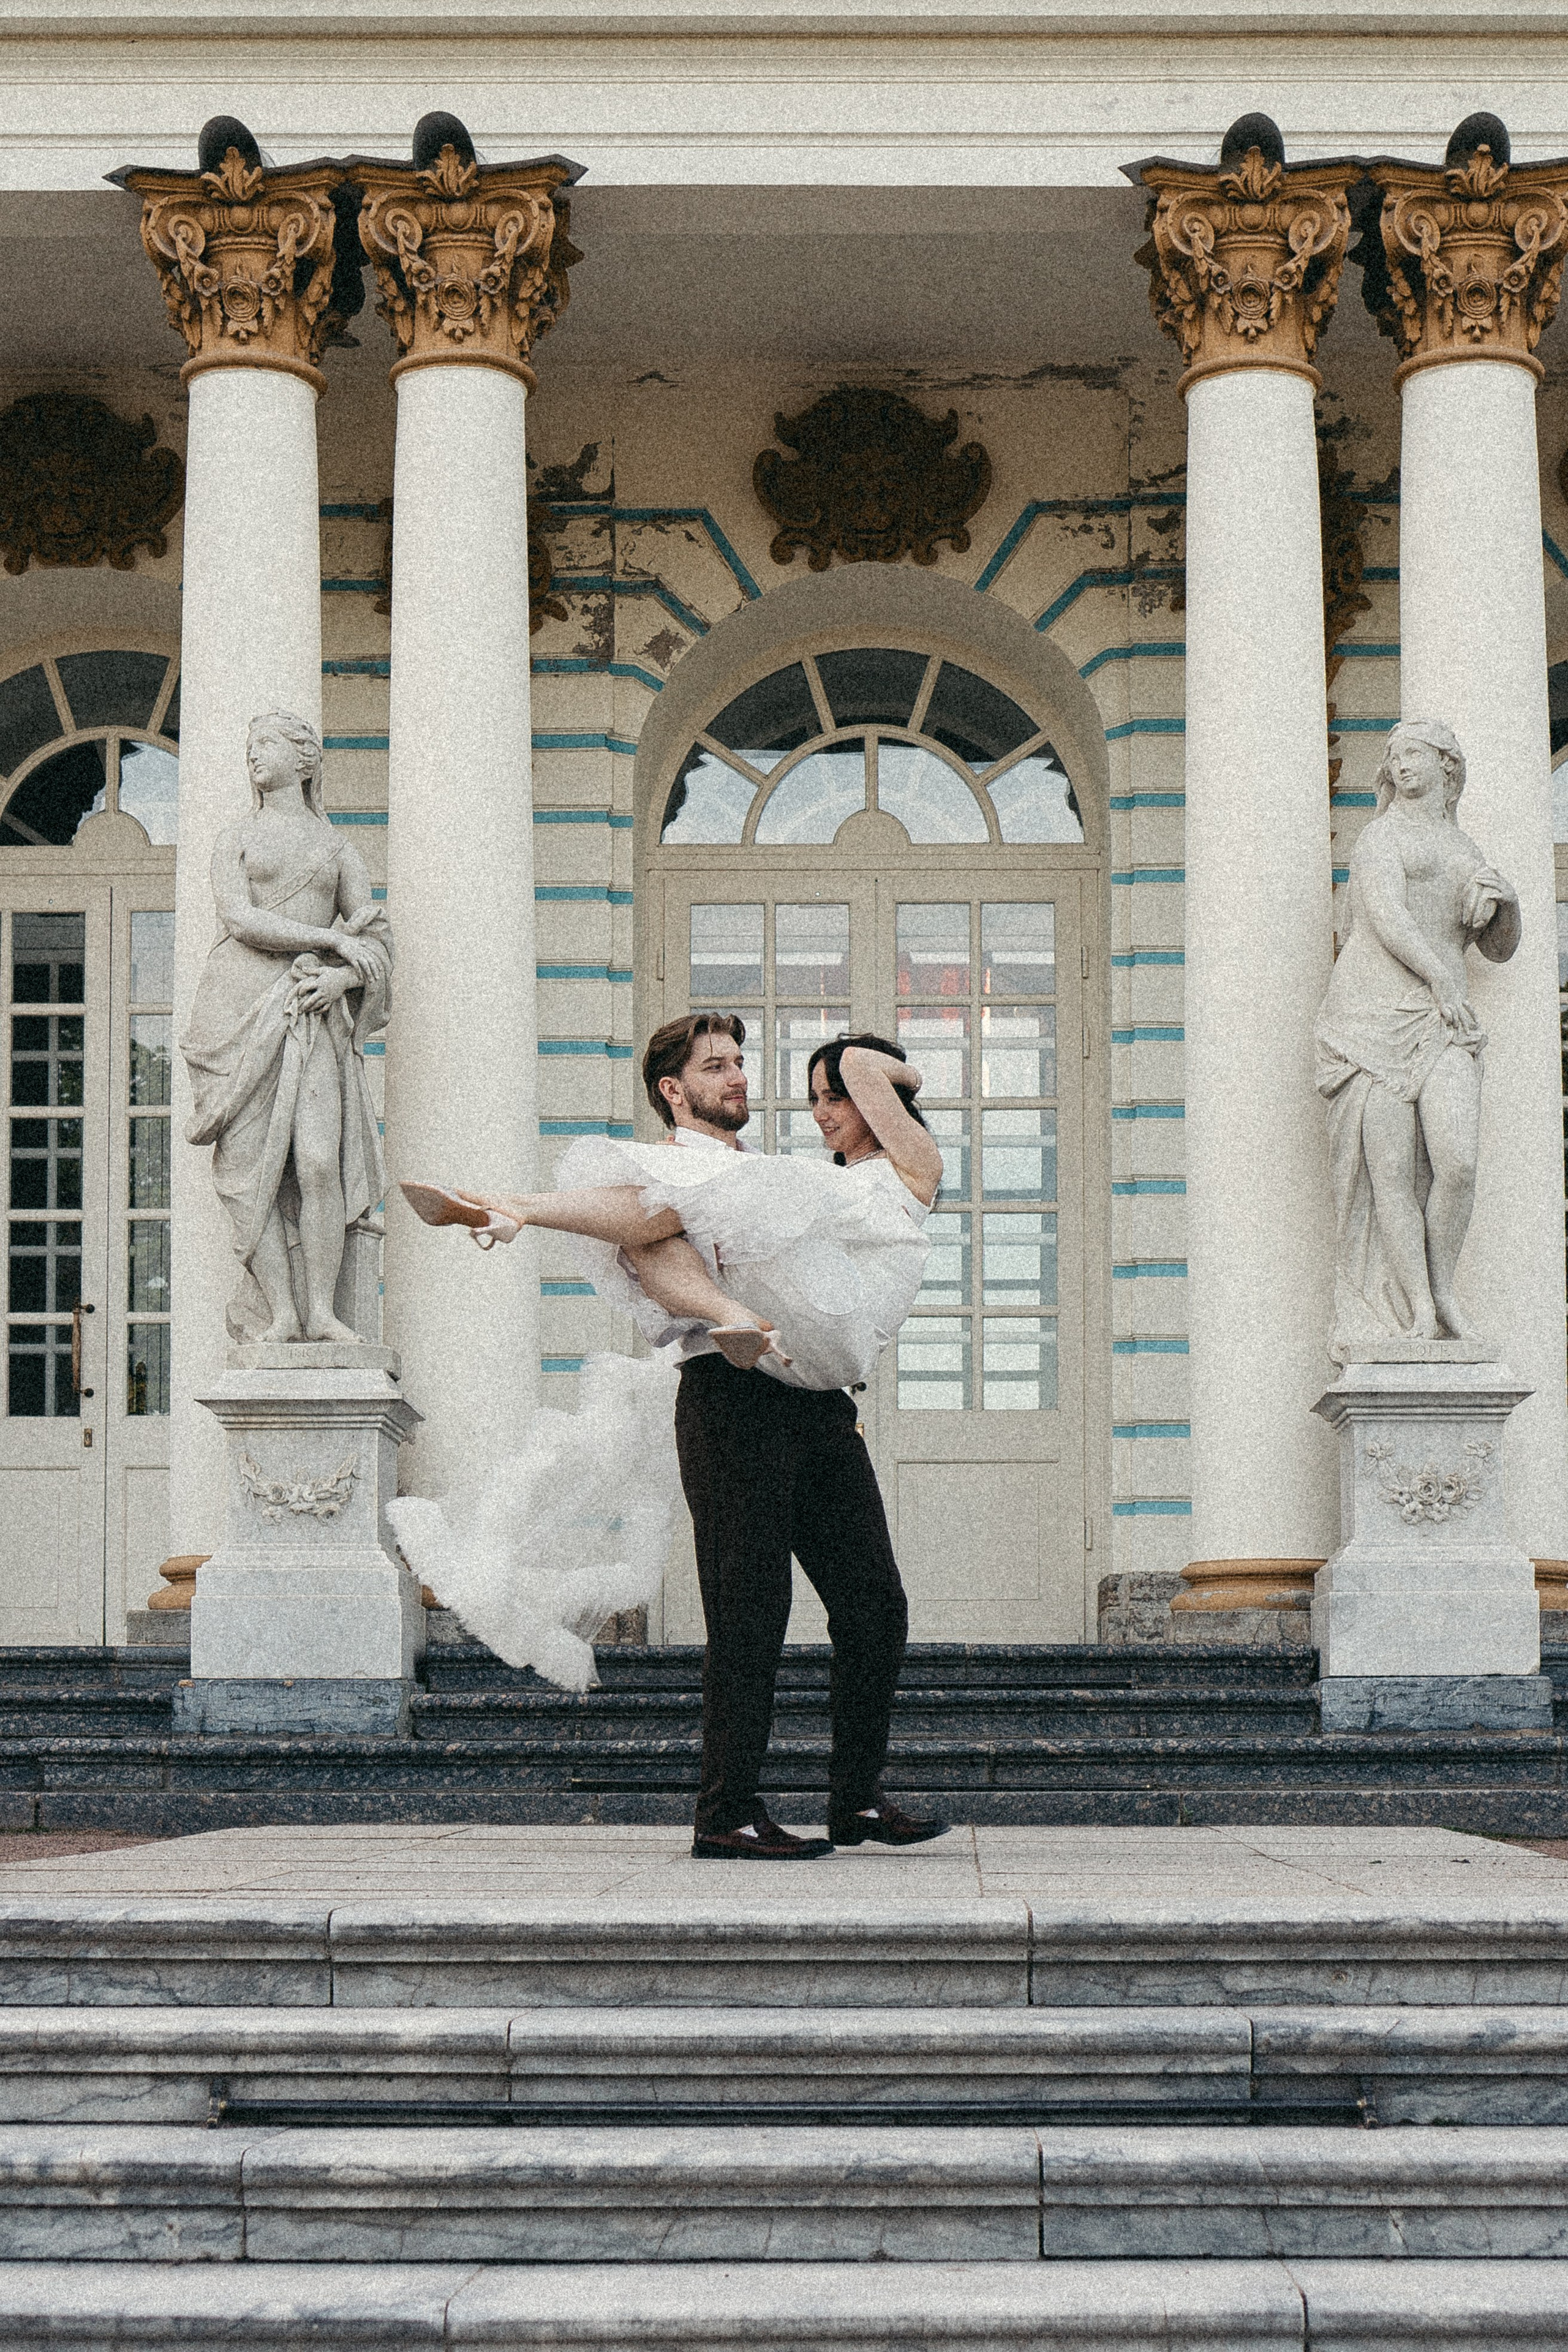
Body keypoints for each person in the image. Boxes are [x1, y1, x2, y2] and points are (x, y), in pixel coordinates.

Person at [401, 1012, 948, 1860]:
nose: (740, 1079)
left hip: (819, 1403)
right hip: (733, 1397)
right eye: (717, 1066)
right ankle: (726, 1811)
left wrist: (874, 1080)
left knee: (875, 1606)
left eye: (741, 1064)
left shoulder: (784, 1178)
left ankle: (858, 1801)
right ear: (673, 1088)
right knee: (749, 1610)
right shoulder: (706, 1172)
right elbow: (645, 1231)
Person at [181, 711, 391, 1345]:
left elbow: (377, 939)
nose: (254, 756)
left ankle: (323, 1311)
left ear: (305, 760)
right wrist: (330, 940)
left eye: (265, 744)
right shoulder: (235, 839)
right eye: (249, 747)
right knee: (253, 1173)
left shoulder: (337, 849)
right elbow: (241, 920)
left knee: (320, 1162)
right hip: (237, 1009)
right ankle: (281, 1312)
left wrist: (342, 981)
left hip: (311, 1011)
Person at [1314, 717, 1520, 1361]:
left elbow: (1496, 947)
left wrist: (1507, 903)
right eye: (1393, 756)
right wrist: (1440, 978)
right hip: (1371, 1017)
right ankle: (1420, 1311)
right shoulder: (1382, 836)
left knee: (1456, 1163)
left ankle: (1442, 1286)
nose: (1400, 764)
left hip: (1441, 1020)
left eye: (1413, 754)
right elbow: (1386, 915)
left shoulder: (1466, 851)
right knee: (1391, 1175)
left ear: (1446, 766)